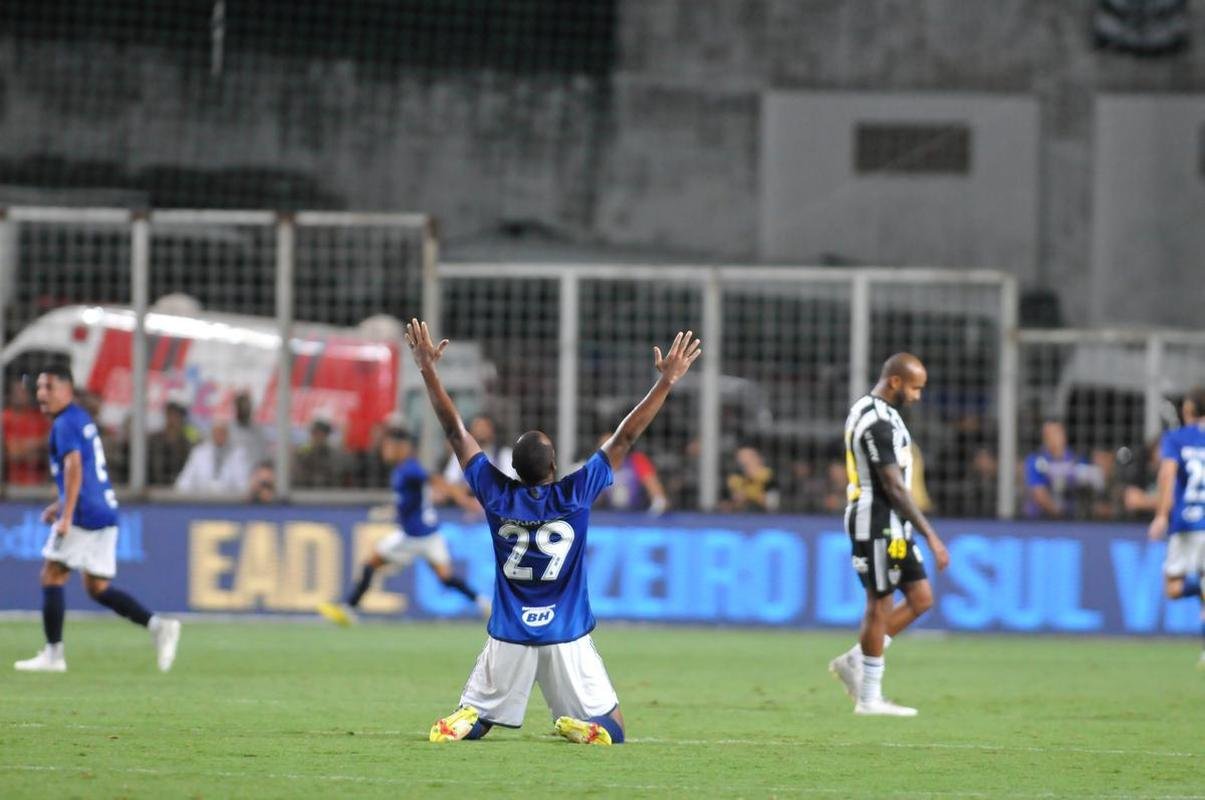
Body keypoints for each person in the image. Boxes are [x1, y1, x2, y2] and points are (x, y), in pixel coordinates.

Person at [411, 319, 701, 745]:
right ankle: (580, 724)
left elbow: (456, 431)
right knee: (615, 727)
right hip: (566, 633)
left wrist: (427, 370)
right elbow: (626, 437)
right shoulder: (575, 494)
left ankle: (465, 720)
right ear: (553, 467)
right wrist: (667, 382)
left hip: (509, 631)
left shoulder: (495, 494)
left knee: (479, 716)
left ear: (512, 469)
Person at [14, 366, 181, 673]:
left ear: (67, 389)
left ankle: (53, 655)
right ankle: (158, 625)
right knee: (97, 587)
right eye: (39, 387)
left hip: (85, 514)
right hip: (103, 509)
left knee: (52, 574)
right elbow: (87, 472)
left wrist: (66, 514)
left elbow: (75, 467)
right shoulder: (79, 418)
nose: (41, 394)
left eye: (48, 387)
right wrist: (61, 502)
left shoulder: (64, 423)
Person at [827, 353, 950, 716]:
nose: (918, 395)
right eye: (915, 387)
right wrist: (932, 536)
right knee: (879, 602)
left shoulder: (884, 414)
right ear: (895, 381)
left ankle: (856, 659)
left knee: (921, 597)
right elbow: (894, 487)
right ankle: (869, 699)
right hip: (875, 518)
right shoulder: (876, 421)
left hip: (893, 523)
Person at [317, 425, 490, 624]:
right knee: (446, 578)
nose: (385, 451)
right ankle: (482, 603)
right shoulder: (402, 470)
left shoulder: (409, 468)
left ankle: (348, 609)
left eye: (389, 446)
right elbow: (411, 498)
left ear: (402, 447)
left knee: (370, 564)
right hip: (428, 535)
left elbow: (434, 479)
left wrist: (465, 501)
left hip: (413, 536)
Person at [1147, 386, 1205, 664]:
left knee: (1172, 587)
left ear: (1189, 409)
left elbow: (1167, 474)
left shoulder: (1176, 439)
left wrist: (1161, 514)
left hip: (1187, 524)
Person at [1023, 420, 1089, 518]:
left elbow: (1087, 488)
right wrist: (1058, 513)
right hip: (1039, 520)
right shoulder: (1035, 460)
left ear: (1064, 435)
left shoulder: (1077, 459)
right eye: (1047, 434)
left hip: (1073, 519)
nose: (1051, 438)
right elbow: (1038, 493)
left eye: (1056, 433)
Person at [592, 431, 669, 515]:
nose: (608, 451)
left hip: (637, 515)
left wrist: (650, 518)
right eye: (603, 447)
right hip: (609, 517)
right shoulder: (597, 468)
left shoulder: (637, 460)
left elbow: (659, 499)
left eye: (612, 446)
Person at [174, 418, 252, 495]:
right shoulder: (199, 453)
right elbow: (183, 482)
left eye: (222, 432)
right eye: (216, 432)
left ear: (228, 434)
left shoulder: (237, 454)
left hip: (228, 503)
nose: (219, 436)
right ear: (211, 433)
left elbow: (243, 485)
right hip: (201, 502)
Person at [3, 376, 50, 485]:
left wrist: (21, 447)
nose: (20, 395)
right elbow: (11, 454)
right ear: (10, 394)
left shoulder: (39, 417)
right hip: (10, 485)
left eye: (23, 391)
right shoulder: (5, 417)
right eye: (17, 391)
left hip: (40, 484)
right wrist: (40, 443)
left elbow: (48, 452)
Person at [147, 401, 194, 485]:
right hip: (154, 491)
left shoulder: (187, 445)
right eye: (170, 415)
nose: (172, 420)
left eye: (176, 416)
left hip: (177, 494)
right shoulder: (153, 441)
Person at [292, 418, 350, 488]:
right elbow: (298, 474)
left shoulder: (333, 453)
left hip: (328, 491)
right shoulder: (303, 451)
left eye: (320, 433)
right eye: (315, 433)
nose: (317, 436)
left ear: (326, 435)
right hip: (306, 491)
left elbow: (337, 475)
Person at [723, 445, 780, 512]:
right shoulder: (734, 479)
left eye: (750, 458)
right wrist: (734, 502)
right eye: (741, 458)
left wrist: (750, 496)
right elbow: (724, 505)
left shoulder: (769, 477)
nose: (746, 461)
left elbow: (774, 504)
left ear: (759, 459)